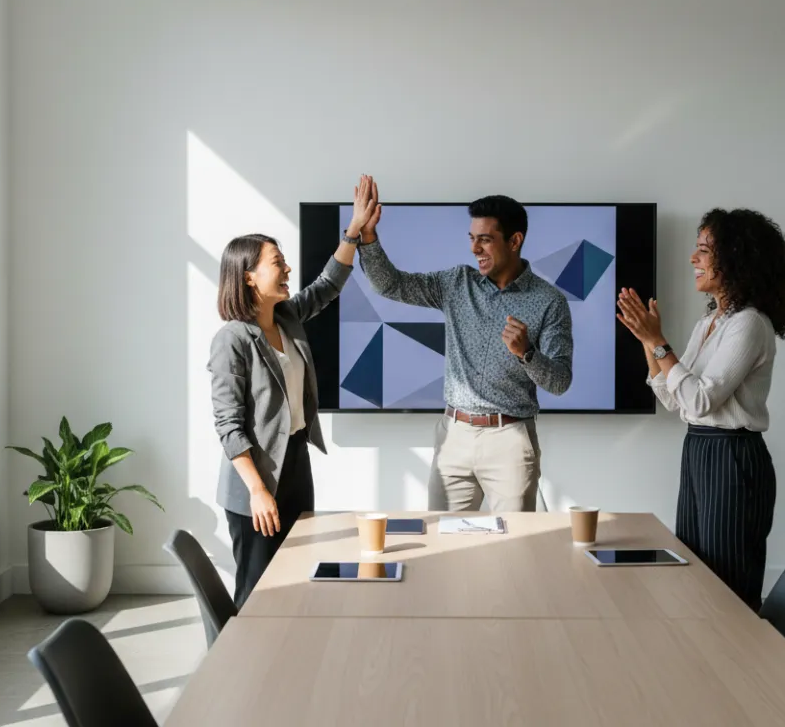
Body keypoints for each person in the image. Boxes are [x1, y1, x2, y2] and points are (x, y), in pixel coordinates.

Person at [615, 208, 785, 611]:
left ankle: (741, 651)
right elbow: (674, 398)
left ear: (736, 257)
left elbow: (701, 399)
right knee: (696, 571)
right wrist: (648, 343)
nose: (693, 258)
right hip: (698, 448)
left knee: (727, 585)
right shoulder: (710, 322)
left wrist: (659, 342)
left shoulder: (749, 324)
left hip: (732, 456)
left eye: (704, 249)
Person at [356, 177, 573, 512]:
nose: (474, 249)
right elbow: (391, 285)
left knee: (515, 540)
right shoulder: (457, 283)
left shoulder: (549, 301)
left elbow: (560, 382)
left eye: (485, 240)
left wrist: (527, 353)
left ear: (515, 241)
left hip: (510, 439)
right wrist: (368, 236)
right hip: (453, 437)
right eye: (472, 239)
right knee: (442, 536)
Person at [208, 177, 376, 608]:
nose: (286, 270)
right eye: (277, 263)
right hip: (256, 478)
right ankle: (242, 652)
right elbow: (229, 427)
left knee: (296, 577)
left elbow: (327, 285)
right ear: (248, 277)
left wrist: (353, 231)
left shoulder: (286, 319)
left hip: (296, 463)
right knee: (257, 590)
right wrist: (258, 490)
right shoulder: (232, 339)